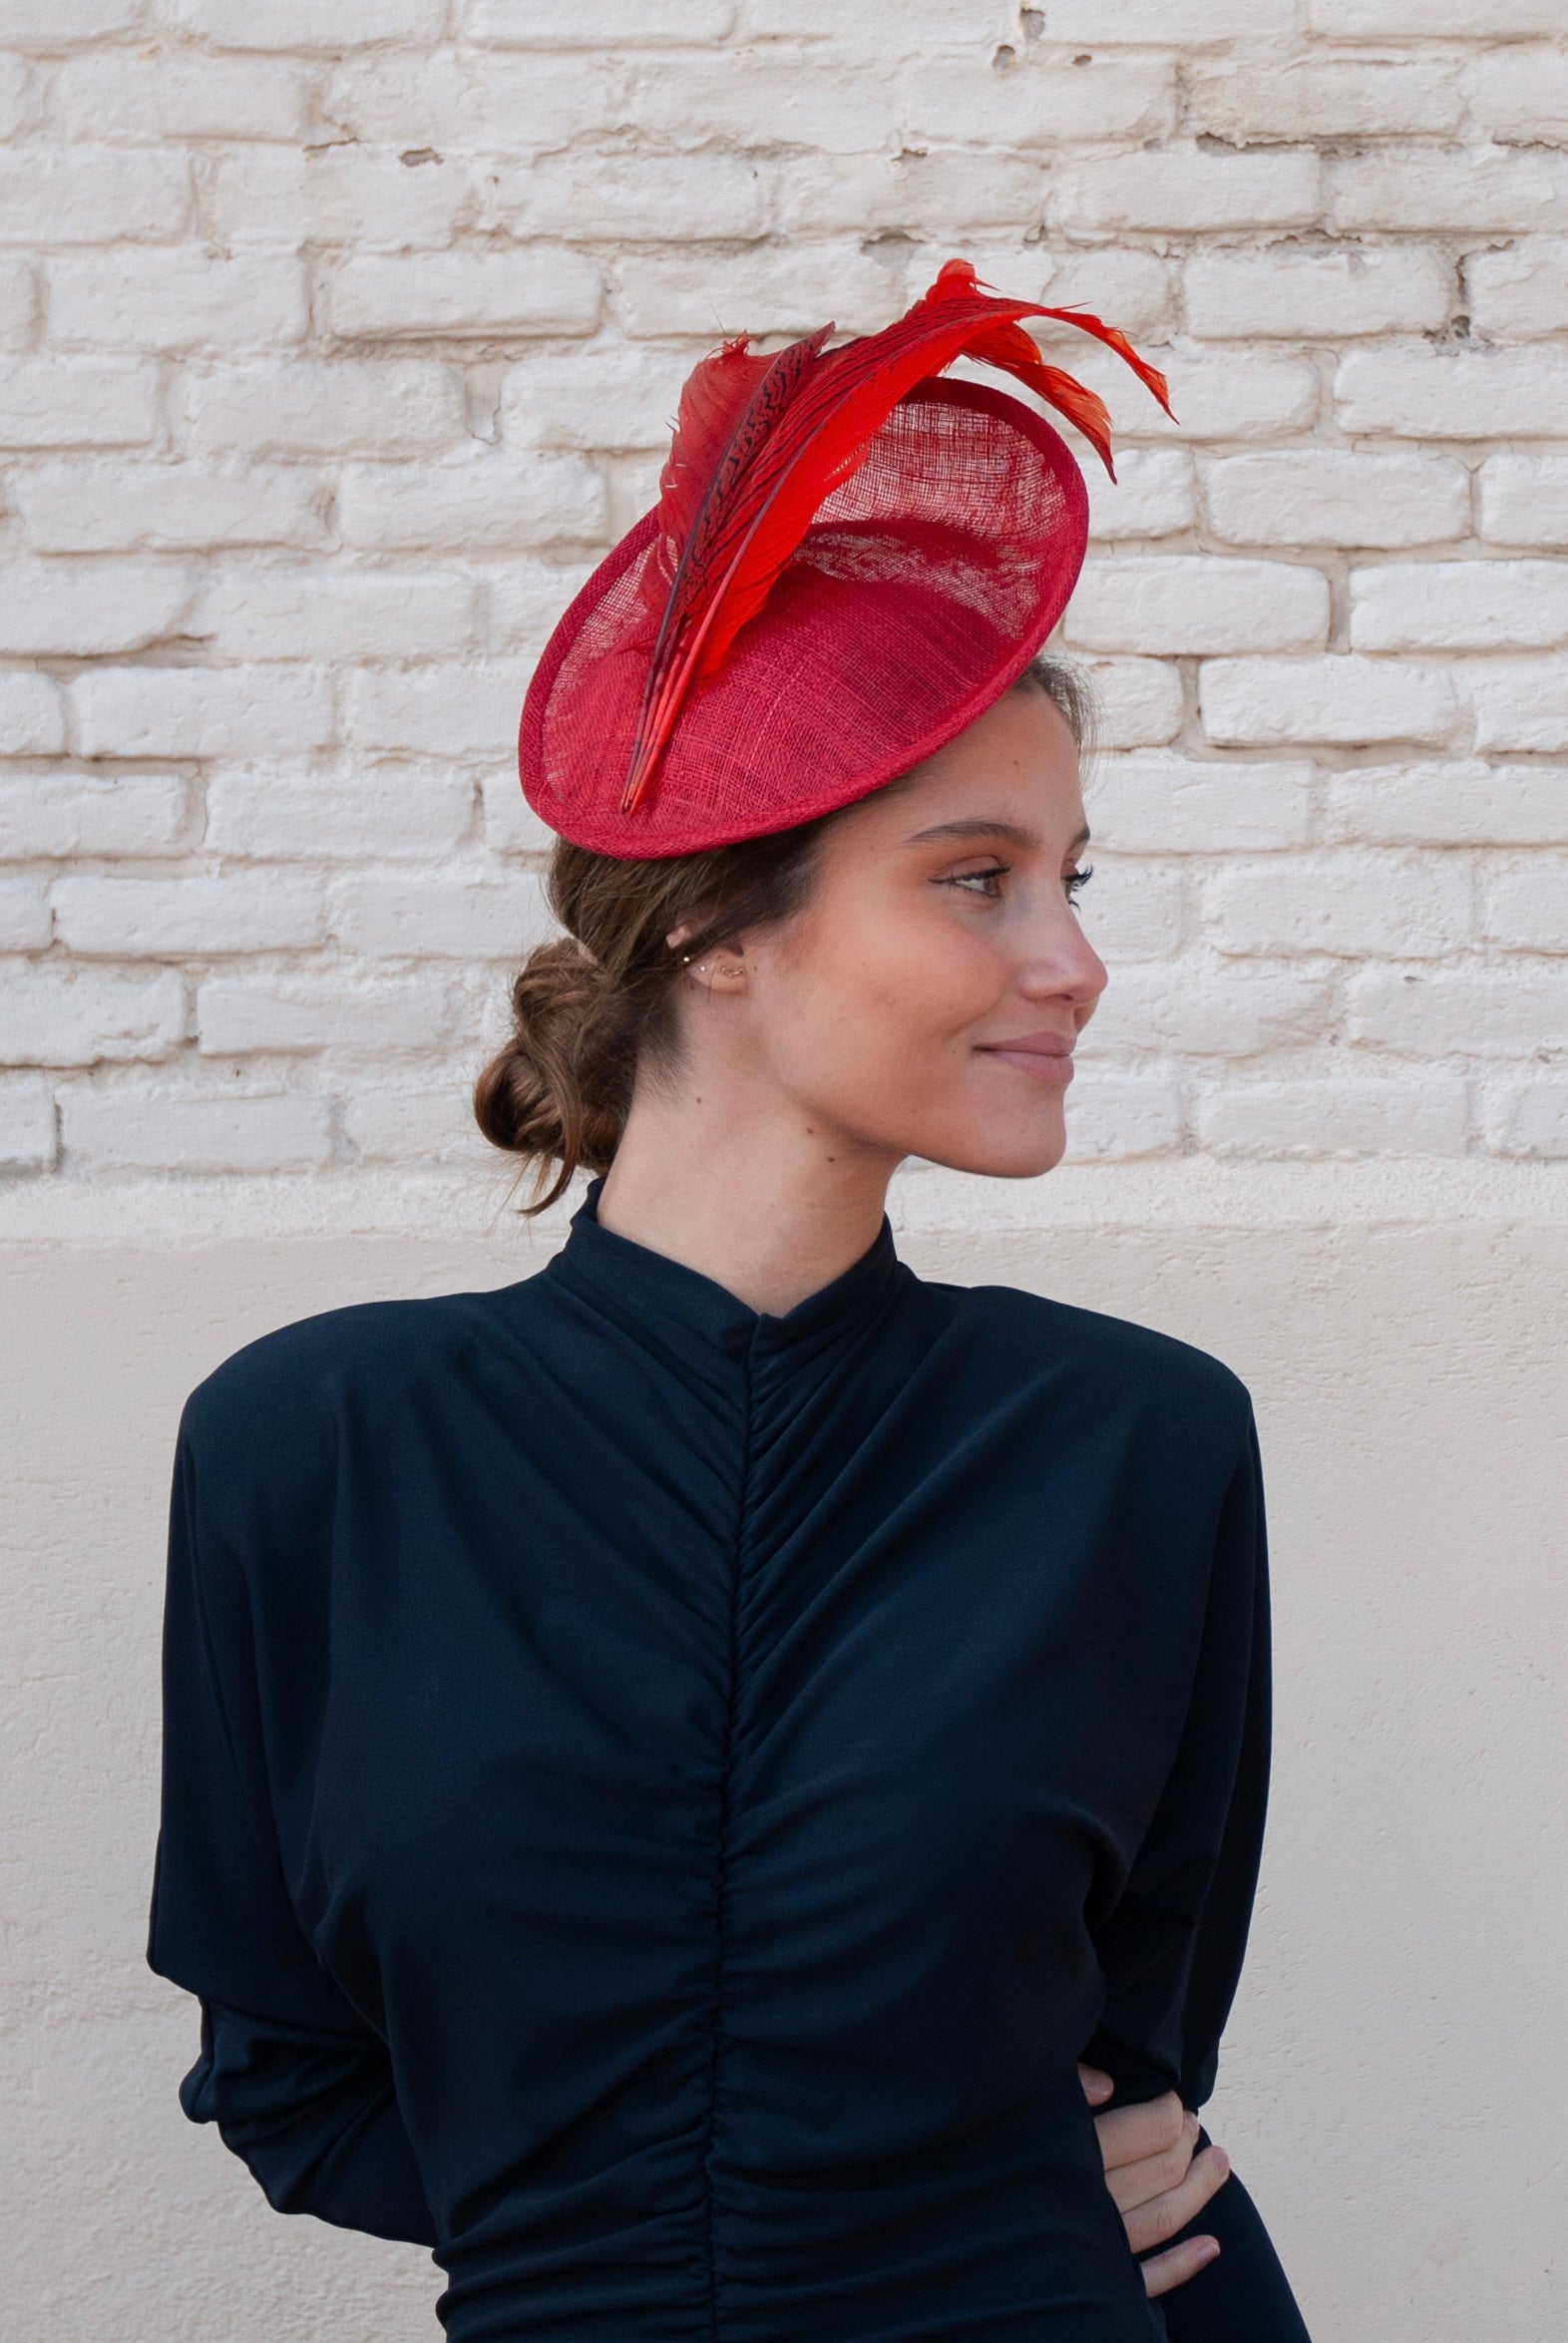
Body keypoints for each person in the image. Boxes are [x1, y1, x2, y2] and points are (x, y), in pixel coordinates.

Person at [148, 261, 1314, 2340]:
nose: (1073, 961)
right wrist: (667, 2251)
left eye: (1074, 880)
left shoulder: (1136, 1439)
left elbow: (1132, 2055)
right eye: (977, 876)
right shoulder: (315, 1444)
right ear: (712, 924)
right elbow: (289, 2072)